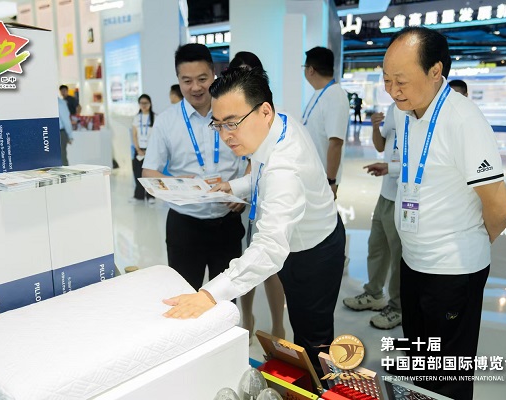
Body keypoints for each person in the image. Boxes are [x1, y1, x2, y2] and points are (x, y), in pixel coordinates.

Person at [163, 68, 346, 376]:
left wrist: (210, 294)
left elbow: (269, 247)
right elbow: (260, 176)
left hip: (314, 250)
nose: (226, 135)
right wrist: (232, 186)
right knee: (301, 326)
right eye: (218, 124)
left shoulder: (285, 168)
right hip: (296, 241)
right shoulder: (276, 123)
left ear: (264, 111)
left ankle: (321, 385)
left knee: (313, 338)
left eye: (232, 123)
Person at [379, 26, 506, 399]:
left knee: (448, 377)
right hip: (413, 261)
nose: (392, 90)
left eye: (401, 81)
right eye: (386, 80)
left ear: (435, 71)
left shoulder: (463, 119)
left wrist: (471, 241)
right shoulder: (404, 112)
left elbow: (500, 206)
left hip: (453, 272)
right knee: (420, 361)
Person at [142, 43, 246, 292]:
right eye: (187, 81)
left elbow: (254, 158)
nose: (196, 87)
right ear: (178, 80)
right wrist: (178, 185)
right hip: (185, 227)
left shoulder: (234, 114)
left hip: (228, 222)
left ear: (213, 74)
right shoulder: (166, 122)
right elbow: (149, 172)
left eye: (202, 79)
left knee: (226, 298)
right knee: (185, 295)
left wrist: (243, 190)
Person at [228, 51, 286, 340]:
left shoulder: (267, 113)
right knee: (246, 260)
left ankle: (278, 325)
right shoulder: (227, 111)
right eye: (239, 74)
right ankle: (247, 317)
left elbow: (259, 159)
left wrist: (242, 187)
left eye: (251, 73)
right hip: (241, 202)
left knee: (271, 265)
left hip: (266, 197)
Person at [343, 103, 402, 330]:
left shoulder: (419, 112)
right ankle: (374, 294)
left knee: (398, 256)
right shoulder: (393, 108)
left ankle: (397, 307)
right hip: (386, 193)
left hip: (405, 198)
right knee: (376, 246)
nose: (393, 89)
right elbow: (381, 145)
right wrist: (376, 127)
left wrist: (392, 168)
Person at [302, 46, 350, 199]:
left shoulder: (335, 96)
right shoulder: (320, 93)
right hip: (311, 176)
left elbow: (336, 142)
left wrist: (331, 181)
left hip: (323, 180)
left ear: (310, 70)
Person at [131, 94, 156, 202]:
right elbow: (134, 135)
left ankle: (151, 196)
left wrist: (150, 151)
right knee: (138, 173)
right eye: (142, 103)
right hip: (139, 150)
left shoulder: (156, 117)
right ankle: (139, 196)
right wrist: (138, 149)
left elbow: (157, 136)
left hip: (151, 151)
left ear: (150, 104)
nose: (144, 105)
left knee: (150, 174)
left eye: (146, 103)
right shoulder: (136, 118)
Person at [57, 96, 74, 166]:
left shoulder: (47, 102)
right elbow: (66, 121)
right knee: (62, 157)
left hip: (52, 132)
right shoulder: (61, 103)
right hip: (60, 133)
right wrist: (70, 136)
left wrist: (70, 135)